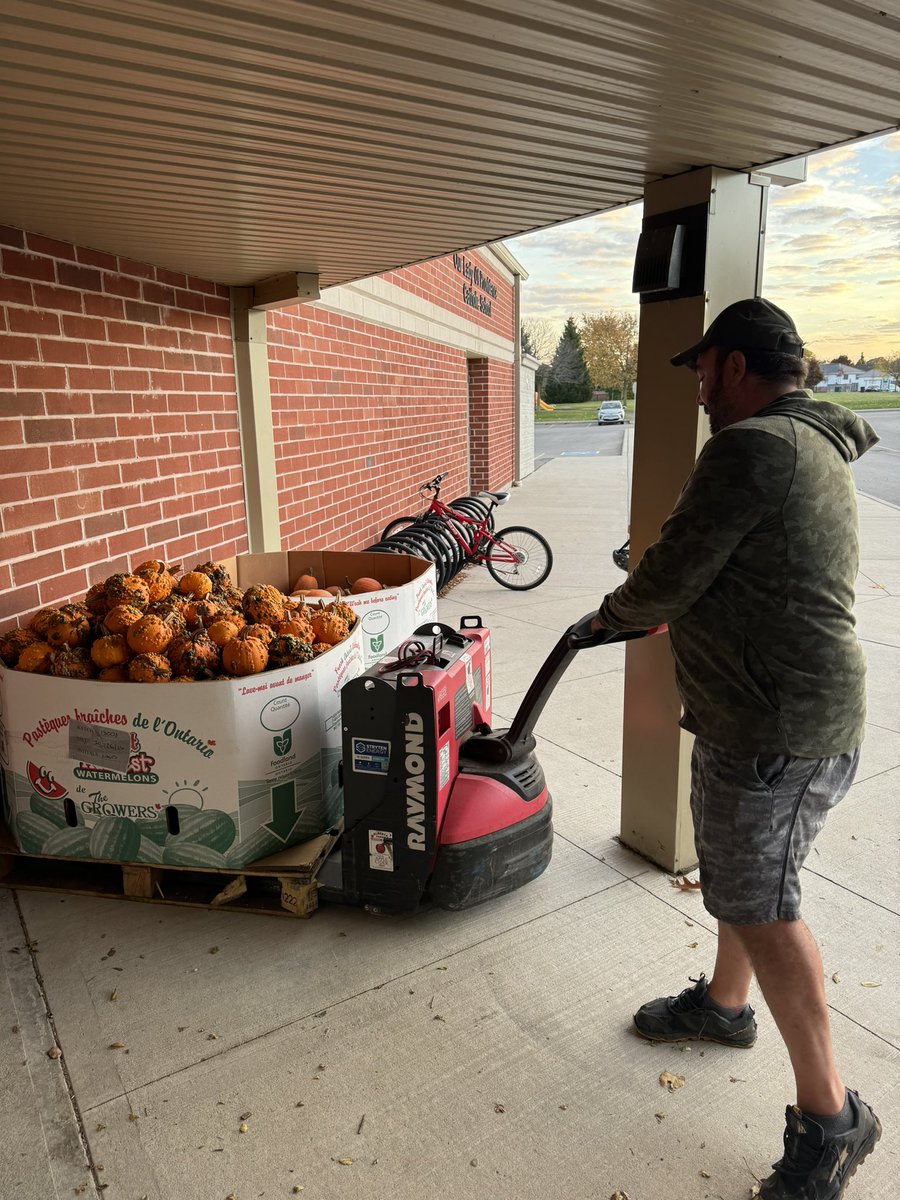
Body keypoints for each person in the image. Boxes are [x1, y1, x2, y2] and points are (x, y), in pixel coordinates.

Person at [592, 298, 882, 1199]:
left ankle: (833, 1120)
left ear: (736, 366)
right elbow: (721, 559)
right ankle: (723, 1008)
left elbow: (672, 576)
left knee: (763, 901)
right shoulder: (807, 442)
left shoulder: (754, 447)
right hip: (750, 712)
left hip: (780, 727)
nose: (700, 389)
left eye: (704, 371)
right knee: (737, 873)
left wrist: (609, 618)